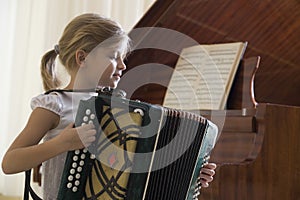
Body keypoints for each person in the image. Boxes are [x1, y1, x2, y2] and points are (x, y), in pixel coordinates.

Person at [1, 13, 216, 199]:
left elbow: (144, 162)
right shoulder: (55, 104)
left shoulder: (122, 109)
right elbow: (9, 163)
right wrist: (62, 143)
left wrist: (191, 171)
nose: (123, 65)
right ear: (82, 57)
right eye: (114, 57)